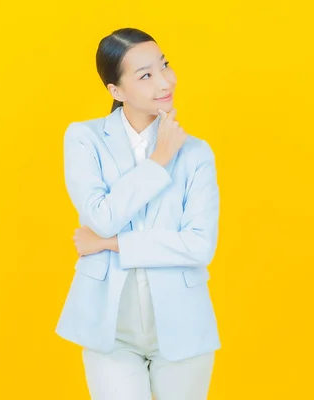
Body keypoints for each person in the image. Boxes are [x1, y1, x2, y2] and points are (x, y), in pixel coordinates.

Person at [55, 27, 221, 400]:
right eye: (145, 75)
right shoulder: (85, 138)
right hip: (109, 330)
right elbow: (100, 216)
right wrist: (160, 159)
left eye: (164, 66)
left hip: (182, 327)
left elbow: (198, 247)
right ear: (116, 91)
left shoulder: (196, 153)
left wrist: (111, 244)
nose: (164, 81)